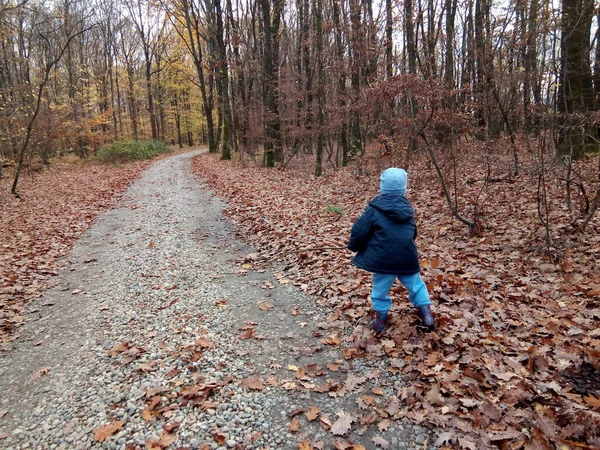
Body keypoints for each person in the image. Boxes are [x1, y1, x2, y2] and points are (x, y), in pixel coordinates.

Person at [348, 167, 435, 334]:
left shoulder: (374, 210)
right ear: (404, 188)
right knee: (417, 285)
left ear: (382, 187)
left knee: (379, 290)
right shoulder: (407, 210)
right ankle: (427, 315)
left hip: (383, 260)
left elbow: (359, 231)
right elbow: (412, 231)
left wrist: (354, 246)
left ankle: (380, 321)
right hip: (407, 257)